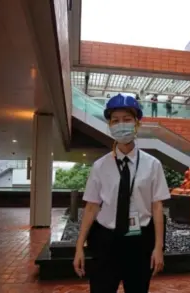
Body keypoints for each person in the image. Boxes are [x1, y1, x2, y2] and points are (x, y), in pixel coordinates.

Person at [73, 93, 170, 293]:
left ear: (137, 124)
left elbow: (157, 207)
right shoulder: (100, 166)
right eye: (115, 121)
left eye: (127, 119)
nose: (121, 125)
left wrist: (158, 247)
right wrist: (79, 246)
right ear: (109, 126)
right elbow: (91, 207)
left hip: (139, 243)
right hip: (105, 241)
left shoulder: (153, 165)